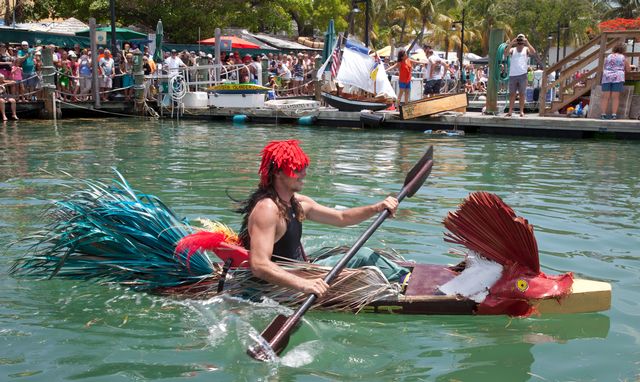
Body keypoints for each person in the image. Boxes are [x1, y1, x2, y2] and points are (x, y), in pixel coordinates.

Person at [237, 140, 408, 297]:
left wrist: (377, 208)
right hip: (281, 284)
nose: (304, 174)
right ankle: (407, 282)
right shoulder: (266, 209)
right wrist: (304, 285)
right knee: (363, 256)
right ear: (278, 172)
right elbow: (259, 265)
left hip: (301, 267)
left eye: (304, 167)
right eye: (297, 169)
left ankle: (403, 279)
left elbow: (342, 218)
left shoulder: (299, 202)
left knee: (353, 253)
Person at [504, 34, 536, 117]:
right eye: (519, 41)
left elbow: (533, 52)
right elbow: (505, 54)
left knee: (522, 94)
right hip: (512, 75)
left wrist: (527, 42)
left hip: (523, 74)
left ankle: (521, 111)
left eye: (521, 41)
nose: (520, 43)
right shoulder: (512, 49)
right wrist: (511, 43)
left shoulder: (526, 49)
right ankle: (510, 111)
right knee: (512, 94)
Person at [600, 42, 631, 120]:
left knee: (605, 97)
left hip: (607, 76)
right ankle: (614, 115)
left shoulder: (609, 56)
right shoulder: (623, 57)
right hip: (617, 77)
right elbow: (628, 69)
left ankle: (603, 114)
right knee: (615, 97)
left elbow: (605, 66)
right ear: (623, 50)